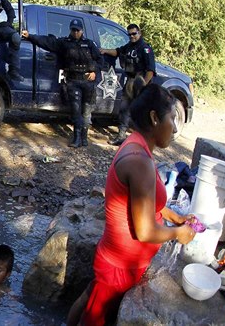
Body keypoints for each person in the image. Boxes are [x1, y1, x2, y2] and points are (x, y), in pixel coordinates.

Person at [66, 82, 197, 326]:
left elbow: (141, 203)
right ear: (155, 118)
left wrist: (175, 217)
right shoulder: (139, 161)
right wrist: (179, 233)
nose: (175, 127)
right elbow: (145, 231)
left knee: (88, 299)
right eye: (172, 118)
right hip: (119, 267)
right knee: (94, 317)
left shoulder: (138, 147)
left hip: (116, 261)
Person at [21, 19, 103, 148]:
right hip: (73, 80)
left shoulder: (89, 44)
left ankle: (84, 137)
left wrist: (94, 72)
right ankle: (76, 138)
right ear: (70, 30)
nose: (75, 32)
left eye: (78, 30)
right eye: (73, 30)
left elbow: (100, 60)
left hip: (88, 81)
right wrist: (30, 36)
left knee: (87, 111)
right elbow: (47, 42)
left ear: (82, 31)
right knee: (76, 110)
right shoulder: (64, 43)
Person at [100, 24, 156, 146]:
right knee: (124, 108)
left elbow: (151, 70)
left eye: (134, 34)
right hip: (130, 80)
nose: (132, 36)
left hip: (140, 81)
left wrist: (143, 85)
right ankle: (121, 136)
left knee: (141, 112)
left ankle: (142, 140)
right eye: (129, 34)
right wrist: (104, 50)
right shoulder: (129, 46)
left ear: (139, 33)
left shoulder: (145, 49)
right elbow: (117, 52)